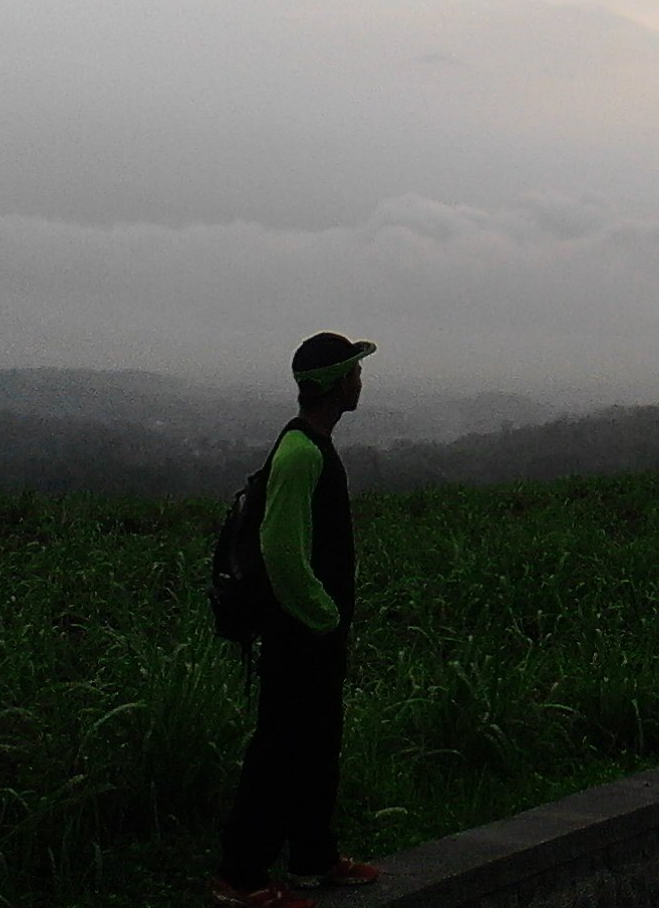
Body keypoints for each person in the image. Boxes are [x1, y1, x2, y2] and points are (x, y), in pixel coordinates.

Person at [210, 333, 384, 907]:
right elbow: (281, 552)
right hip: (298, 633)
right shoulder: (301, 452)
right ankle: (241, 876)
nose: (361, 381)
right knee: (280, 751)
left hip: (312, 633)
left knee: (315, 746)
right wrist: (323, 616)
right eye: (354, 373)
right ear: (336, 385)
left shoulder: (312, 444)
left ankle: (314, 857)